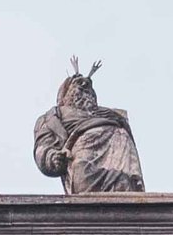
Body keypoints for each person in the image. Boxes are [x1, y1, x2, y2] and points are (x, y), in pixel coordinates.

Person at [32, 58, 145, 195]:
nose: (84, 85)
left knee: (125, 195)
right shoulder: (53, 116)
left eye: (88, 84)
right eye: (78, 83)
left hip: (120, 154)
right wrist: (51, 157)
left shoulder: (111, 114)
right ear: (66, 91)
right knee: (85, 194)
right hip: (84, 154)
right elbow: (43, 145)